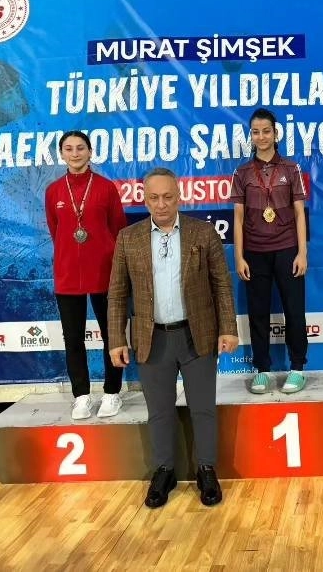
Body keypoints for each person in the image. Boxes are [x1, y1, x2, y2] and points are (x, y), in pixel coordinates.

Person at [107, 168, 239, 509]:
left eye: (168, 196)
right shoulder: (128, 238)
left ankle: (206, 469)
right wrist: (116, 339)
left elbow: (221, 284)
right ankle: (164, 471)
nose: (161, 204)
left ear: (179, 197)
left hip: (198, 336)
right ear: (144, 199)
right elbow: (117, 293)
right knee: (159, 412)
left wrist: (228, 328)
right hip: (152, 339)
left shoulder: (203, 232)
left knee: (203, 409)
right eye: (154, 197)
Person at [46, 130, 127, 420]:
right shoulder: (54, 191)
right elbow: (56, 231)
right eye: (68, 149)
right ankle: (81, 395)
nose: (75, 153)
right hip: (68, 275)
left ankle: (112, 392)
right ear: (61, 154)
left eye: (80, 148)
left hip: (105, 272)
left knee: (112, 334)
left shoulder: (106, 188)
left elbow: (118, 229)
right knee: (73, 339)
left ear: (90, 152)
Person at [231, 108, 309, 395]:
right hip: (254, 253)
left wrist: (302, 253)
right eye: (256, 132)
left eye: (266, 131)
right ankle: (262, 370)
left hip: (287, 249)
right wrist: (239, 256)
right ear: (251, 136)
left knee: (294, 311)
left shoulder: (291, 168)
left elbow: (299, 213)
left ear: (276, 134)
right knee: (258, 313)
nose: (261, 136)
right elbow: (238, 217)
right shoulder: (241, 173)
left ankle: (297, 368)